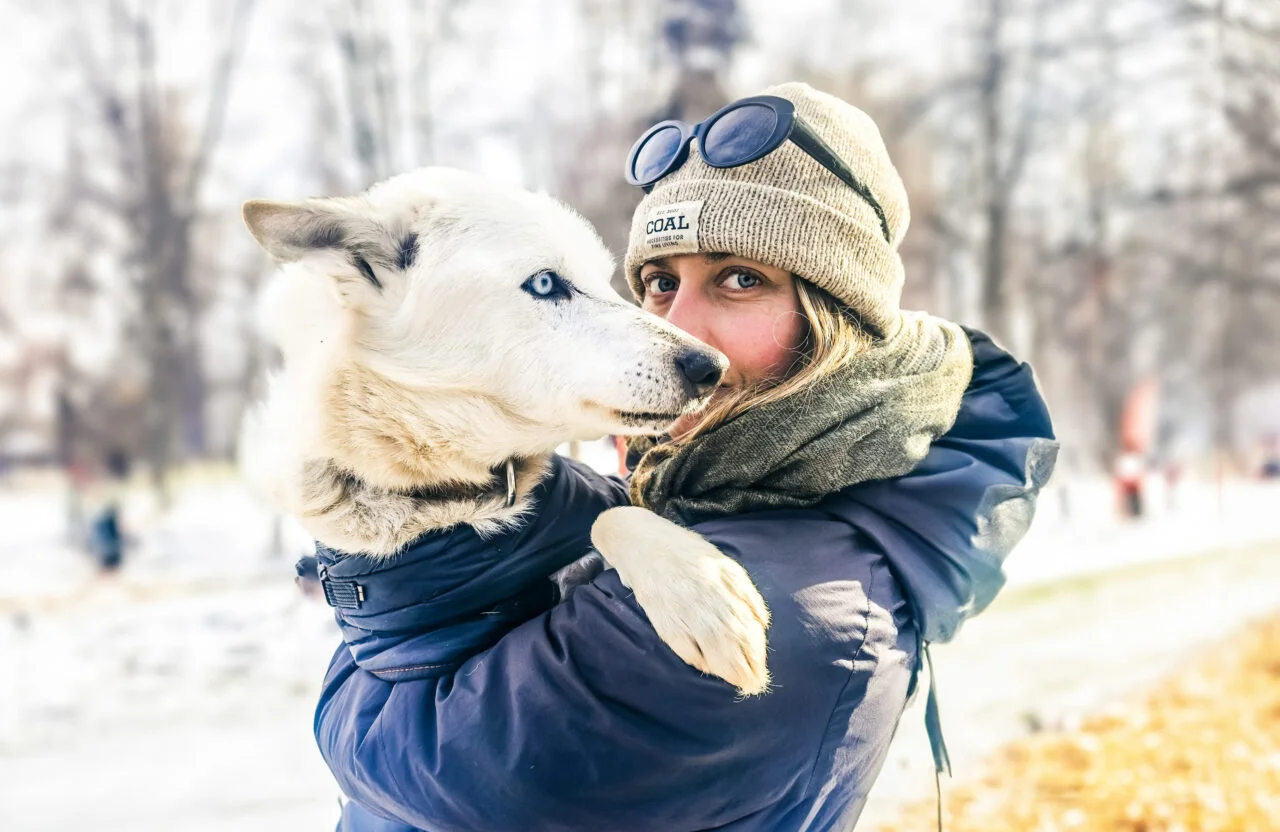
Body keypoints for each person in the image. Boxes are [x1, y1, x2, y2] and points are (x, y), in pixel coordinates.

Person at [313, 83, 1058, 831]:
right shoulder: (716, 495)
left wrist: (359, 644)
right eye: (662, 283)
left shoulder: (794, 604)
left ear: (838, 321)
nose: (680, 331)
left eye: (741, 280)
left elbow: (431, 766)